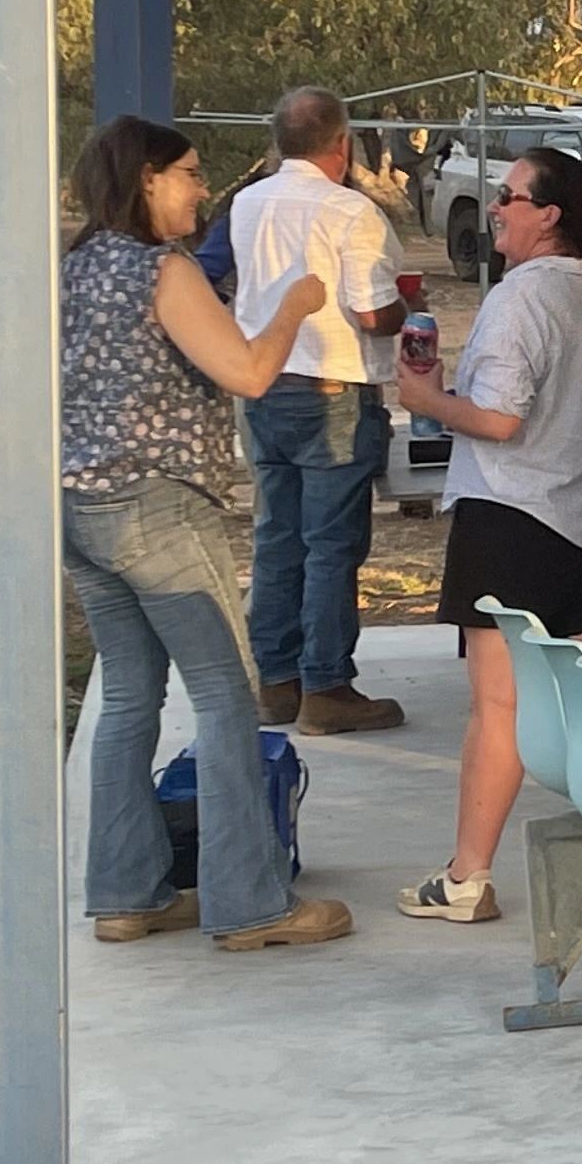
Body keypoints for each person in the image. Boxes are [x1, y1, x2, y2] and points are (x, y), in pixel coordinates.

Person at [57, 115, 352, 951]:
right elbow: (250, 373)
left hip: (81, 506)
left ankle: (126, 895)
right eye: (188, 172)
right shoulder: (164, 268)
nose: (201, 188)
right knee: (227, 697)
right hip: (159, 508)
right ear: (146, 178)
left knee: (129, 695)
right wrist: (294, 305)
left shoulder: (75, 266)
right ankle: (252, 905)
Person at [388, 146, 582, 923]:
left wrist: (426, 399)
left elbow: (499, 420)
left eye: (509, 196)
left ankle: (467, 877)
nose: (494, 207)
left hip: (511, 517)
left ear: (549, 214)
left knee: (498, 708)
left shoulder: (519, 297)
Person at [229, 84, 410, 736]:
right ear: (343, 143)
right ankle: (326, 684)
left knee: (277, 536)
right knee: (331, 544)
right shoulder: (350, 211)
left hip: (264, 379)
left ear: (279, 142)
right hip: (333, 385)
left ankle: (277, 680)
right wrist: (405, 309)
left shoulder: (247, 202)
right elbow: (371, 312)